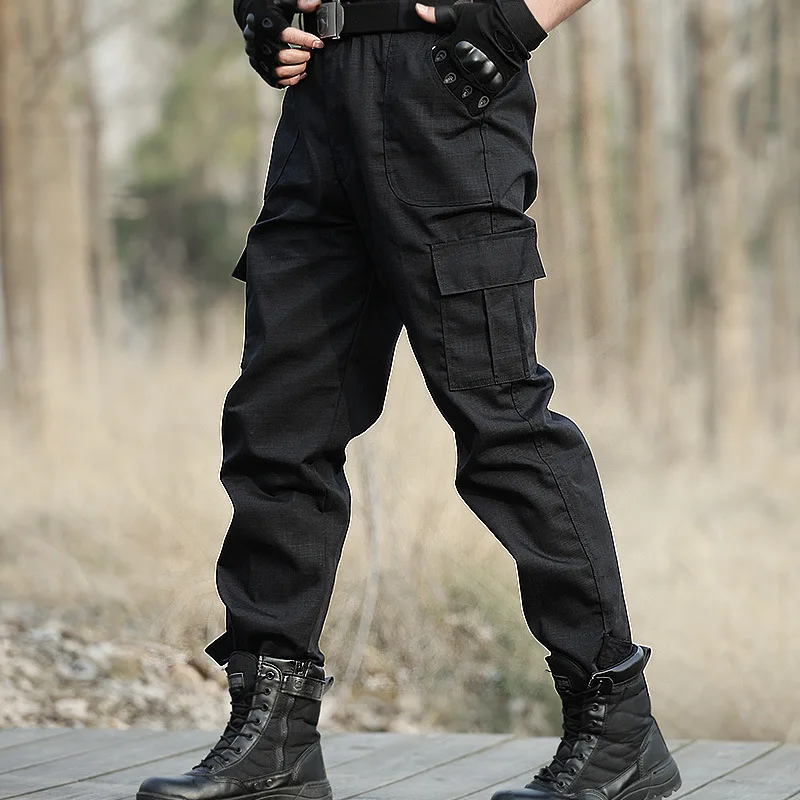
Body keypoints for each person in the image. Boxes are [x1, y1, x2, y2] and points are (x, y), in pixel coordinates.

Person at [136, 0, 682, 798]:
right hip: (319, 107)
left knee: (503, 425)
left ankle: (617, 727)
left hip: (445, 95)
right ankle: (274, 740)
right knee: (277, 426)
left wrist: (514, 22)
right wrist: (260, 11)